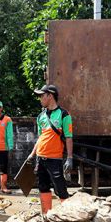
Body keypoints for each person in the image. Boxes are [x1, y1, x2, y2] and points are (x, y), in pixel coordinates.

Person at [27, 84, 74, 213]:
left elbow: (69, 137)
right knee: (43, 187)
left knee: (60, 189)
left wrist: (69, 158)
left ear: (50, 96)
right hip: (40, 158)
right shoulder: (41, 116)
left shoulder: (64, 115)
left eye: (42, 96)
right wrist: (32, 154)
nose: (40, 99)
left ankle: (68, 215)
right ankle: (46, 216)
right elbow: (40, 137)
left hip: (55, 159)